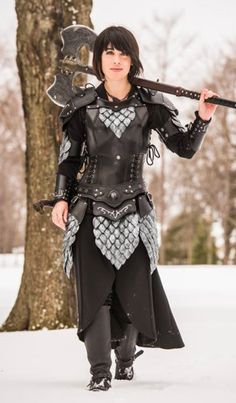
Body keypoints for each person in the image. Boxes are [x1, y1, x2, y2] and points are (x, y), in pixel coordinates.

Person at [50, 26, 218, 391]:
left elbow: (185, 148)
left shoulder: (151, 105)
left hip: (134, 212)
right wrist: (61, 197)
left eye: (122, 53)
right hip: (88, 210)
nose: (115, 59)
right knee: (95, 294)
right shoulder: (81, 108)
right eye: (108, 53)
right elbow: (67, 161)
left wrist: (202, 118)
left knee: (131, 290)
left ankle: (125, 360)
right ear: (99, 60)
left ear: (132, 60)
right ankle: (99, 372)